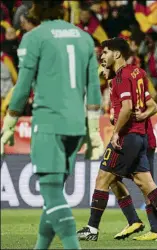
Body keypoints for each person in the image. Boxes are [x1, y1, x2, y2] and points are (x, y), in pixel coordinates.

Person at [0, 1, 104, 249]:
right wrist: (94, 131)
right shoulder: (84, 38)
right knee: (53, 197)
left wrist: (10, 124)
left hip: (48, 124)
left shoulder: (34, 38)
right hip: (76, 127)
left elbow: (23, 87)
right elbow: (93, 89)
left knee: (53, 195)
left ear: (32, 14)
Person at [76, 37, 157, 241]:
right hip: (140, 136)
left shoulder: (121, 77)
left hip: (127, 136)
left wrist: (116, 131)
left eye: (105, 52)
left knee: (103, 178)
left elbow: (125, 107)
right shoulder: (137, 72)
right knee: (145, 183)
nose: (102, 56)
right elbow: (149, 103)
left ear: (117, 54)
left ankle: (92, 228)